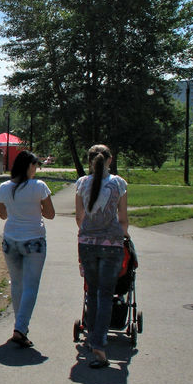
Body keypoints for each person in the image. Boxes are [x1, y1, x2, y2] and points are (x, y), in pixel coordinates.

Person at [75, 143, 129, 369]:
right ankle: (99, 343)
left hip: (87, 244)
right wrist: (122, 235)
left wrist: (89, 233)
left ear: (89, 161)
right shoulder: (118, 183)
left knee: (93, 292)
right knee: (106, 294)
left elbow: (79, 217)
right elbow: (123, 218)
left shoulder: (81, 184)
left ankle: (92, 338)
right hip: (112, 244)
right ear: (110, 160)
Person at [0, 151, 55, 348]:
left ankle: (20, 325)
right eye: (35, 165)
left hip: (10, 240)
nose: (36, 169)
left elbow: (3, 215)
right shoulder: (39, 186)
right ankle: (20, 329)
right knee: (31, 285)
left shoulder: (4, 187)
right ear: (29, 166)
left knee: (17, 284)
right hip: (34, 240)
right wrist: (35, 207)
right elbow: (50, 214)